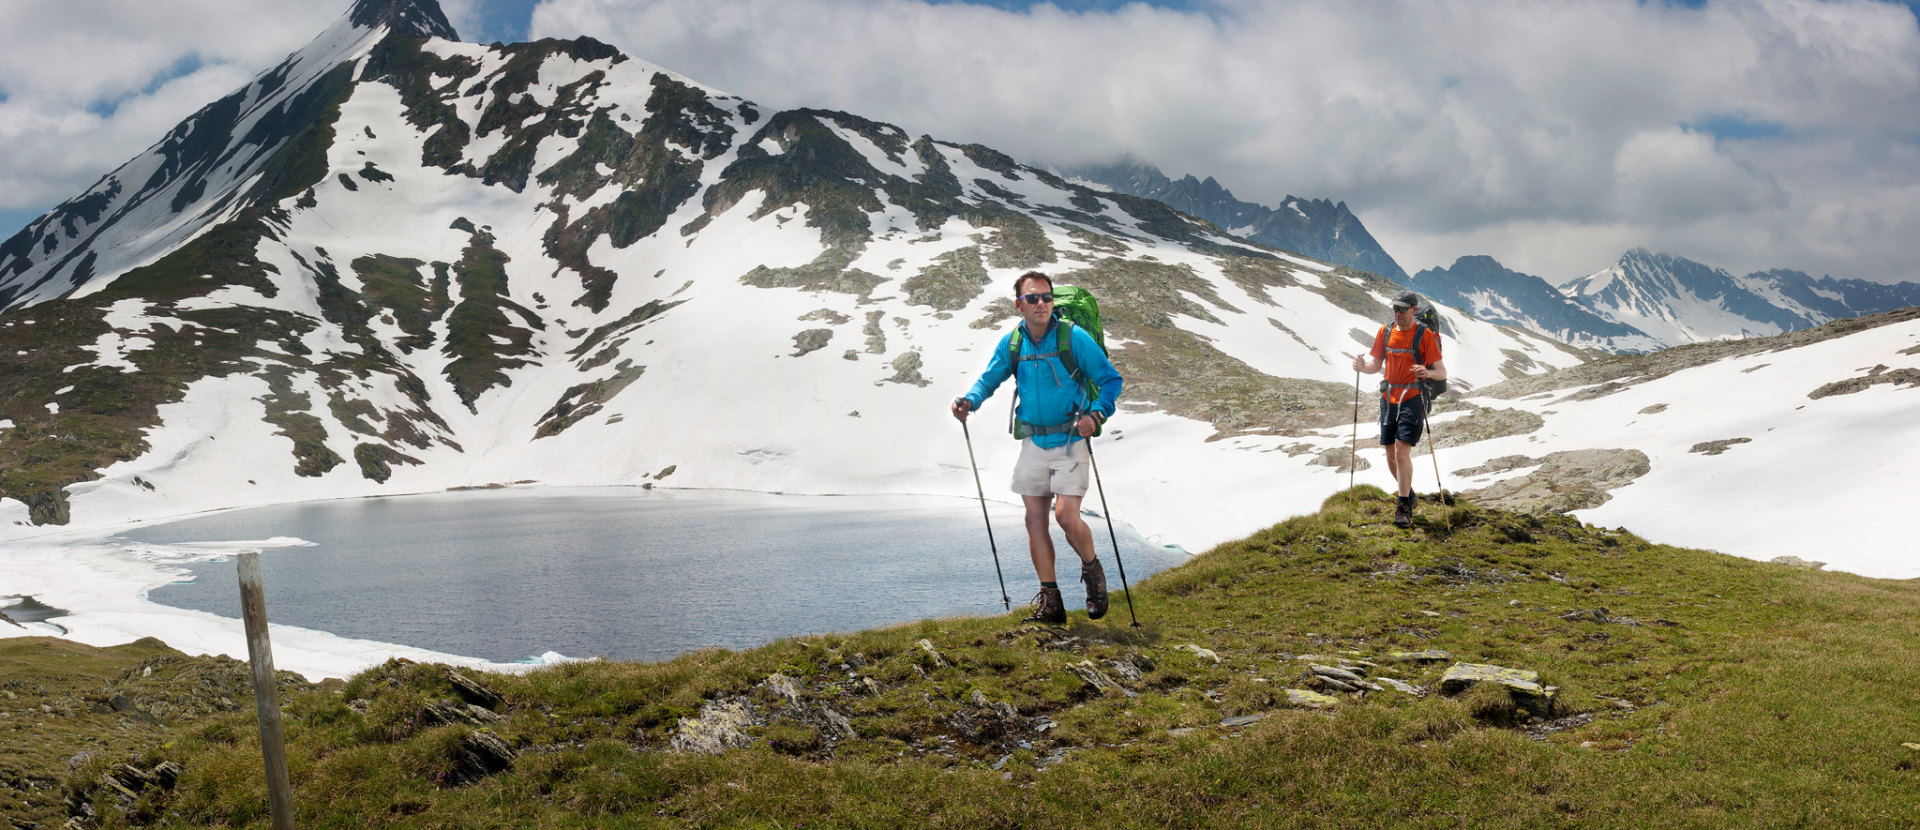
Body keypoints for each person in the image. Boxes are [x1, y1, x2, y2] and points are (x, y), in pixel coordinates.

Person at [951, 271, 1124, 624]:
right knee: (1034, 520)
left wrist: (1097, 414)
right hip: (1033, 441)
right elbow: (990, 379)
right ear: (1020, 305)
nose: (1041, 303)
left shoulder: (1072, 339)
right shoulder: (1013, 344)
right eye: (1033, 298)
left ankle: (1093, 573)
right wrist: (970, 401)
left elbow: (1111, 380)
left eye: (1046, 297)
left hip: (1071, 440)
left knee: (1065, 517)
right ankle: (1051, 602)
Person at [1352, 291, 1448, 528]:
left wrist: (1427, 373)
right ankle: (1410, 495)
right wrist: (1361, 367)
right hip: (1388, 398)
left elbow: (1441, 372)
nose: (1397, 313)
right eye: (1395, 308)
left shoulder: (1423, 335)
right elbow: (1376, 365)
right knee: (1390, 455)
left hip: (1413, 397)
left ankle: (1403, 506)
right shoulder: (1385, 332)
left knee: (1400, 453)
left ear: (1414, 310)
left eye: (1402, 309)